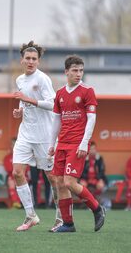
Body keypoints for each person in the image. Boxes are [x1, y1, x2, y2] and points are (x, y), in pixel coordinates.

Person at [48, 55, 106, 233]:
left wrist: (84, 143)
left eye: (81, 70)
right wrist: (52, 143)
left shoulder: (87, 91)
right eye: (74, 70)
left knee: (70, 182)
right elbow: (56, 120)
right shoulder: (60, 94)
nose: (78, 74)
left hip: (77, 144)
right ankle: (68, 224)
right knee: (58, 181)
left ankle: (97, 209)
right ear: (66, 72)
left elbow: (92, 119)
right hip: (62, 143)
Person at [12, 40, 62, 232]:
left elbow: (52, 104)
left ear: (38, 61)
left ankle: (60, 218)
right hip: (25, 133)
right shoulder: (20, 80)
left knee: (53, 178)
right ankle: (31, 215)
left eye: (34, 59)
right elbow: (23, 105)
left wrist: (27, 100)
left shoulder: (43, 79)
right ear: (22, 60)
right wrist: (19, 112)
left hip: (44, 135)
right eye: (28, 58)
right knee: (17, 172)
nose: (31, 61)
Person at [3, 138, 22, 208]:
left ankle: (18, 202)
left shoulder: (22, 156)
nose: (13, 146)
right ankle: (16, 202)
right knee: (11, 181)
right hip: (12, 176)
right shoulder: (7, 157)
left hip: (22, 176)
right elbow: (8, 169)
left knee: (21, 182)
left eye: (14, 144)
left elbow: (26, 168)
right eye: (12, 144)